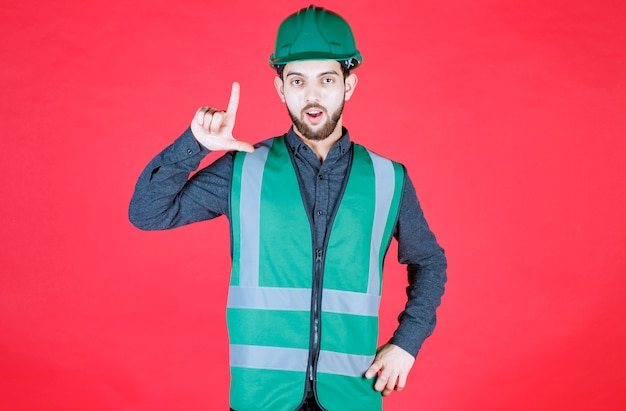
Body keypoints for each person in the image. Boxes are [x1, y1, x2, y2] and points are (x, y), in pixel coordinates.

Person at [129, 5, 447, 411]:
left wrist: (407, 343)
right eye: (297, 81)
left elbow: (430, 262)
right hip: (262, 397)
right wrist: (196, 146)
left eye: (327, 80)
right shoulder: (243, 168)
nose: (312, 95)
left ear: (348, 86)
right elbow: (147, 212)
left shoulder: (389, 178)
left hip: (351, 394)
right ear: (281, 89)